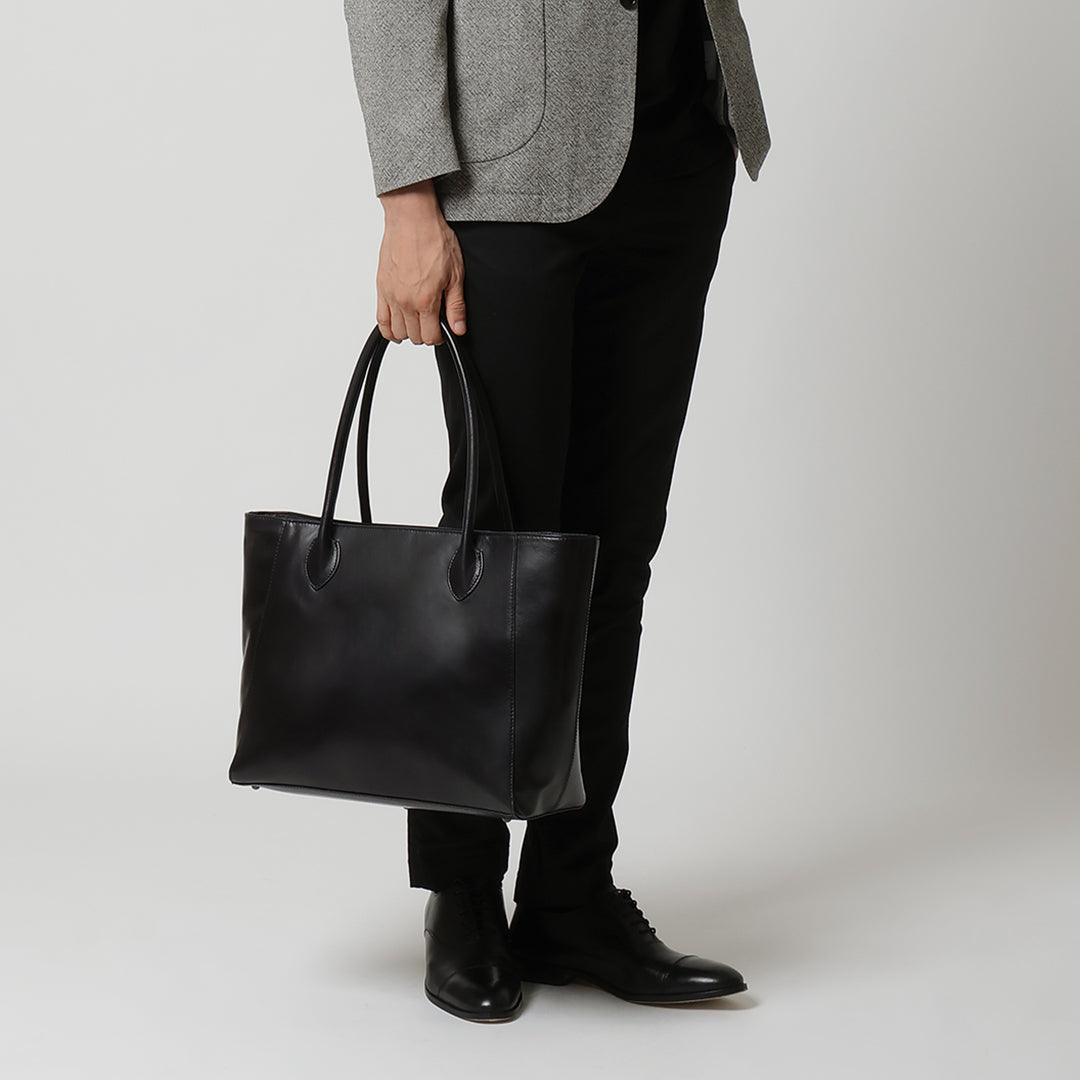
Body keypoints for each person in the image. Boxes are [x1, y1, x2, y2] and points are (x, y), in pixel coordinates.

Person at [342, 0, 771, 1022]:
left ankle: (570, 891)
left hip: (678, 140)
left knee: (615, 551)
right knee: (496, 552)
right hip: (509, 166)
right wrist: (407, 200)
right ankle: (461, 890)